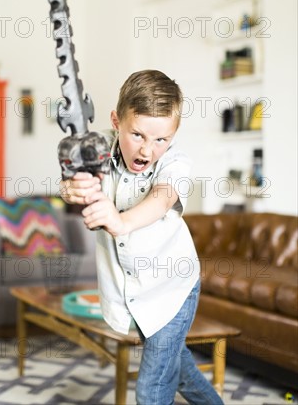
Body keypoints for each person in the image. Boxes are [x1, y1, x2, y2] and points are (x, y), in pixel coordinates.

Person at [60, 70, 224, 405]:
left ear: (173, 136)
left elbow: (162, 197)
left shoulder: (175, 161)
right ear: (116, 120)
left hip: (172, 290)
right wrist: (72, 189)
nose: (148, 150)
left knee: (152, 389)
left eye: (161, 139)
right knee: (178, 369)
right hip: (134, 294)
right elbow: (68, 186)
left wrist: (121, 222)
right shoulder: (98, 149)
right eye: (137, 134)